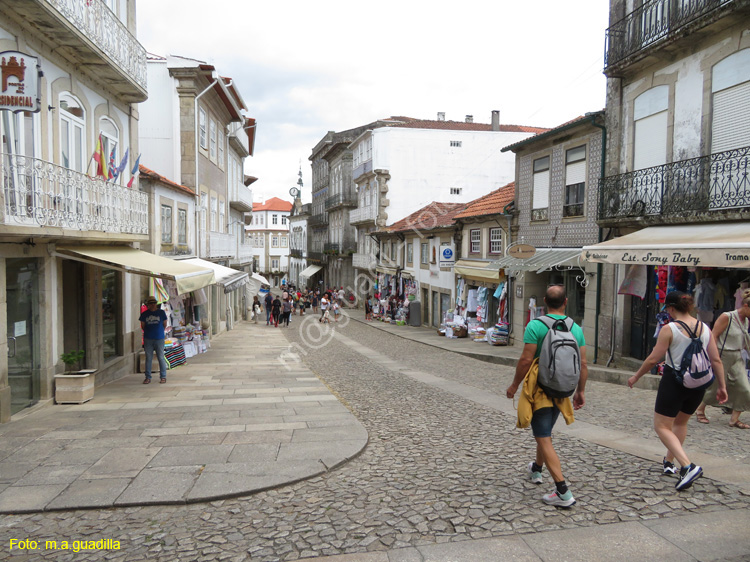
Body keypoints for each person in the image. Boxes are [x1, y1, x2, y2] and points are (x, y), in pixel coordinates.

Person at [628, 291, 728, 490]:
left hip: (675, 382)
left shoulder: (669, 329)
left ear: (671, 308)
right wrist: (722, 386)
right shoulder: (705, 328)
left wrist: (636, 376)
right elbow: (716, 359)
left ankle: (687, 466)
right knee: (680, 423)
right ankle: (668, 462)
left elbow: (653, 359)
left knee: (661, 426)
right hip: (699, 383)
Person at [506, 285, 587, 507]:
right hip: (563, 388)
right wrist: (580, 391)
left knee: (542, 436)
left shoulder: (535, 325)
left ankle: (563, 491)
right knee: (546, 432)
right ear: (566, 302)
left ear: (544, 301)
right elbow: (583, 364)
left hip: (540, 388)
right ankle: (537, 469)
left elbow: (525, 360)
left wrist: (514, 385)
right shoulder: (575, 328)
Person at [694, 288, 750, 428]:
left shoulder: (746, 321)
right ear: (745, 306)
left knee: (744, 388)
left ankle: (734, 419)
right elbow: (714, 335)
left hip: (737, 356)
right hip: (722, 354)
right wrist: (712, 356)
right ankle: (700, 409)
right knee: (715, 386)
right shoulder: (728, 317)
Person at [139, 296, 168, 384]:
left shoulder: (161, 313)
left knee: (160, 357)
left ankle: (163, 376)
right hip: (148, 338)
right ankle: (148, 377)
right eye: (150, 303)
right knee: (148, 358)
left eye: (154, 303)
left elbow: (164, 324)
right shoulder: (144, 314)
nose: (152, 305)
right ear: (148, 305)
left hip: (159, 338)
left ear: (156, 304)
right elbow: (143, 326)